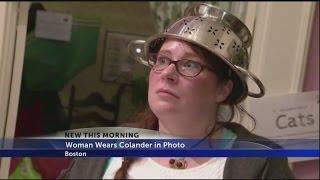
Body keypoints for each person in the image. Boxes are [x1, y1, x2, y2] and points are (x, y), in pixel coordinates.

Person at [58, 3, 294, 179]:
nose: (168, 73)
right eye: (162, 60)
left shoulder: (260, 163)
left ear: (223, 89)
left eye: (189, 64)